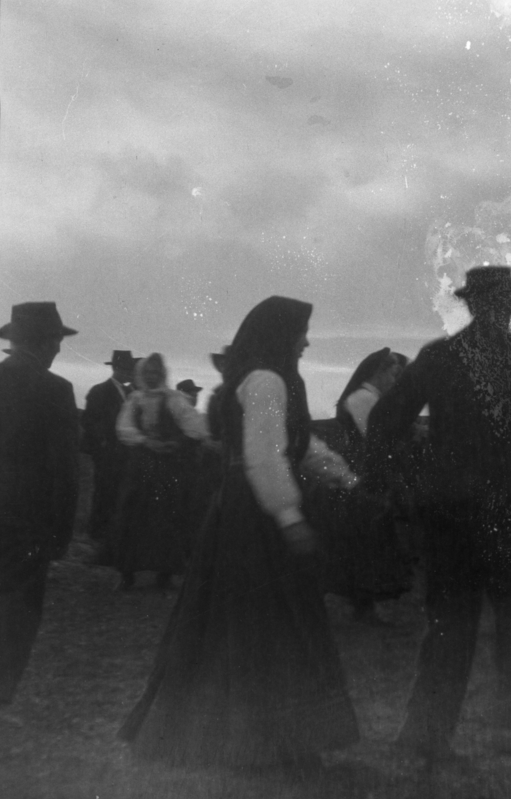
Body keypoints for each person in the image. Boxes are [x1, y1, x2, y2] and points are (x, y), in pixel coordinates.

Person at [119, 296, 359, 772]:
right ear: (280, 335)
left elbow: (295, 444)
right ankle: (264, 741)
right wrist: (289, 517)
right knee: (264, 623)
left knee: (232, 620)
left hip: (235, 513)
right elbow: (265, 456)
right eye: (300, 332)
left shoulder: (247, 381)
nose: (306, 341)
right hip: (256, 517)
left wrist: (342, 475)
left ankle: (242, 737)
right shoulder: (268, 381)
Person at [366, 265, 511, 766]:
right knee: (475, 623)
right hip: (473, 514)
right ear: (476, 304)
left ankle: (468, 734)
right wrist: (415, 483)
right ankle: (445, 735)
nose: (500, 308)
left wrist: (415, 481)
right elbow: (384, 423)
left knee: (507, 622)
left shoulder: (457, 357)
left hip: (478, 512)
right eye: (494, 300)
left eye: (504, 300)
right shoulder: (478, 356)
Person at [0, 303, 80, 703]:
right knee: (18, 608)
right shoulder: (54, 390)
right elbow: (65, 473)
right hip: (25, 521)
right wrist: (61, 533)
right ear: (46, 342)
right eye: (57, 341)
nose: (59, 350)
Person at [316, 348, 413, 624]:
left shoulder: (373, 398)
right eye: (393, 373)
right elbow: (375, 437)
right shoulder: (362, 398)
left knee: (370, 539)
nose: (396, 379)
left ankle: (365, 606)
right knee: (364, 539)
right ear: (379, 372)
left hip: (371, 470)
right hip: (363, 473)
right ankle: (362, 605)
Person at [111, 353, 210, 591]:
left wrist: (175, 444)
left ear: (162, 374)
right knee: (133, 513)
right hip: (142, 465)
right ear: (141, 374)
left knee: (167, 516)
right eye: (148, 372)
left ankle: (165, 573)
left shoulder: (174, 399)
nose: (152, 376)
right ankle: (127, 573)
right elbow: (124, 428)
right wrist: (146, 441)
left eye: (156, 372)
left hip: (168, 465)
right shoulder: (135, 399)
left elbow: (196, 428)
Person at [81, 350, 139, 555]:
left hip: (125, 454)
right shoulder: (99, 391)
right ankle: (97, 534)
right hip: (107, 454)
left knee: (118, 493)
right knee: (103, 492)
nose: (129, 373)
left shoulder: (132, 394)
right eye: (125, 369)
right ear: (115, 369)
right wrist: (103, 445)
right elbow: (90, 421)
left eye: (130, 369)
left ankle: (112, 535)